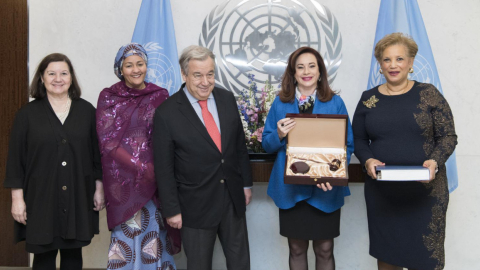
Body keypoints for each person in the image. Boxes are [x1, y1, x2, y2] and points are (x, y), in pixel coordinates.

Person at [352, 33, 457, 270]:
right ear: (380, 65)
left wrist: (435, 161)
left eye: (400, 59)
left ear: (410, 63)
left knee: (425, 262)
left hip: (426, 195)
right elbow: (358, 138)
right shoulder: (369, 100)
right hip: (383, 195)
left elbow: (448, 136)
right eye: (387, 60)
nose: (393, 65)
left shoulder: (429, 94)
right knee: (388, 260)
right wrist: (367, 160)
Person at [154, 45, 253, 270]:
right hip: (194, 206)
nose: (205, 81)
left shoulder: (227, 99)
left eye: (210, 74)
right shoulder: (167, 113)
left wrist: (246, 184)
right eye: (198, 75)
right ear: (184, 74)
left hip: (232, 199)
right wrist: (171, 209)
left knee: (240, 263)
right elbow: (164, 167)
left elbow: (238, 147)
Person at [4, 53, 104, 270]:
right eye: (51, 73)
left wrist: (99, 188)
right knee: (43, 257)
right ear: (42, 77)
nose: (58, 78)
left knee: (72, 255)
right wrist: (17, 199)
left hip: (78, 194)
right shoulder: (27, 114)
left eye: (63, 73)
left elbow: (97, 155)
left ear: (71, 78)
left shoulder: (87, 111)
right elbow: (15, 160)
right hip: (40, 197)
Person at [262, 46, 354, 270]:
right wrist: (280, 134)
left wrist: (331, 175)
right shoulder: (280, 103)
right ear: (293, 73)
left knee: (325, 249)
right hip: (291, 190)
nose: (306, 71)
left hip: (326, 189)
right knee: (296, 248)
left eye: (312, 66)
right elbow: (267, 144)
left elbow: (347, 145)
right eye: (300, 67)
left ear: (320, 71)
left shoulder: (335, 103)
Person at [96, 43, 179, 270]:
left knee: (154, 241)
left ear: (146, 66)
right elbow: (108, 141)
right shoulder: (109, 97)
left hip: (154, 184)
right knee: (125, 244)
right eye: (129, 65)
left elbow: (168, 137)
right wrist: (142, 167)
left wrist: (154, 171)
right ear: (120, 69)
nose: (135, 70)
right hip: (123, 185)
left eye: (140, 64)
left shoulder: (160, 95)